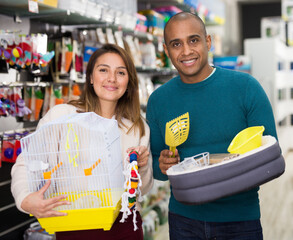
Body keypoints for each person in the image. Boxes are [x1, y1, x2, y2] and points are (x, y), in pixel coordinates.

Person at [146, 12, 278, 240]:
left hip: (239, 219)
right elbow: (158, 169)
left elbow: (270, 155)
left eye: (193, 40)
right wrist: (164, 165)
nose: (186, 51)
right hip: (184, 221)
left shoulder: (246, 87)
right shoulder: (159, 100)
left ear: (208, 42)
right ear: (166, 51)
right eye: (176, 44)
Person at [11, 44, 153, 240]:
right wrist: (25, 199)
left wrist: (141, 167)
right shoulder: (62, 117)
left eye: (120, 72)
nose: (111, 78)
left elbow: (143, 188)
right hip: (73, 225)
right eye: (103, 70)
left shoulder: (138, 127)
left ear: (129, 82)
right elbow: (27, 162)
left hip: (125, 228)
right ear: (91, 78)